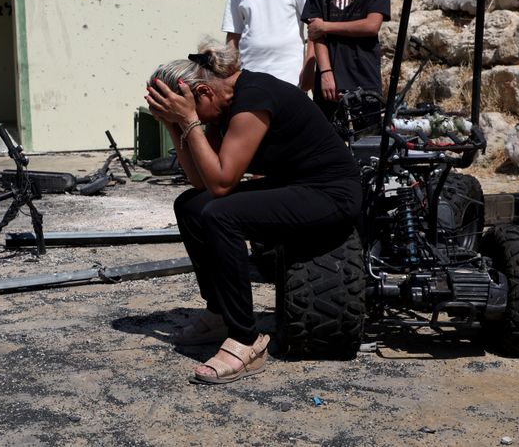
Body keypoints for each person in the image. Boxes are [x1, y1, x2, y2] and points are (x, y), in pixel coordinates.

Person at [144, 40, 361, 384]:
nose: (195, 119)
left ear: (202, 92)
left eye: (192, 109)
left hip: (329, 193)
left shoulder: (253, 97)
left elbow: (221, 185)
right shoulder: (220, 104)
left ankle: (246, 340)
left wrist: (187, 120)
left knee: (221, 213)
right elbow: (201, 183)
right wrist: (175, 124)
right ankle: (219, 313)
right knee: (189, 206)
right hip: (291, 186)